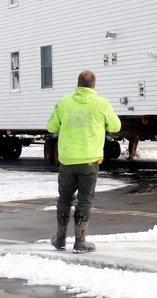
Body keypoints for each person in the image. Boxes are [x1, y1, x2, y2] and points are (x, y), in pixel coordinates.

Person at [46, 69, 121, 253]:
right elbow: (116, 126)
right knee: (85, 200)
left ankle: (60, 238)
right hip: (89, 161)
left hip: (67, 161)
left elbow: (51, 127)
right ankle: (80, 241)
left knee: (64, 198)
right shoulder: (101, 104)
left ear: (77, 84)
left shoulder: (64, 102)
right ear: (94, 85)